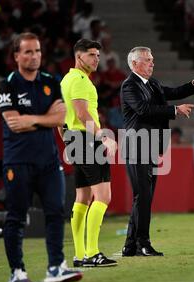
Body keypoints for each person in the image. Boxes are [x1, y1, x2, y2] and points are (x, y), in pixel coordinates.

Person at [0, 32, 82, 282]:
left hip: (48, 161)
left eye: (37, 51)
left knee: (56, 212)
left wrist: (32, 119)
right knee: (16, 217)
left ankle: (56, 267)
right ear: (16, 56)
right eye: (28, 52)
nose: (34, 56)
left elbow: (62, 118)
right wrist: (45, 117)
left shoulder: (50, 81)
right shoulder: (7, 84)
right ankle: (17, 271)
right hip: (18, 162)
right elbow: (14, 124)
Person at [120, 46, 194, 257]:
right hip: (137, 146)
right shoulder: (129, 86)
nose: (152, 63)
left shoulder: (151, 83)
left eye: (152, 59)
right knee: (143, 196)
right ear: (134, 64)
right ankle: (143, 243)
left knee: (144, 197)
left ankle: (130, 245)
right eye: (148, 60)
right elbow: (143, 109)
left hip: (151, 145)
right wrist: (174, 110)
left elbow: (172, 92)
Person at [60, 39, 118, 268]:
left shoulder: (66, 80)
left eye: (98, 55)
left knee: (82, 197)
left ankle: (80, 254)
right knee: (103, 196)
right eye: (92, 55)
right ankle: (92, 253)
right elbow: (83, 114)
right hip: (86, 139)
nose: (97, 59)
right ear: (79, 56)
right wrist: (103, 137)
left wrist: (66, 139)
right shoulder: (81, 80)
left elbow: (62, 115)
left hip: (73, 138)